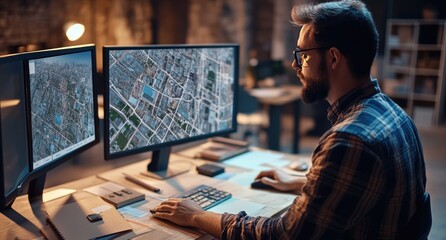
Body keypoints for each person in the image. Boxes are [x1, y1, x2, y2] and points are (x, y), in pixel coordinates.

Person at [151, 0, 428, 239]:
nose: (296, 65)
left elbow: (284, 235)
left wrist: (197, 217)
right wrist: (300, 182)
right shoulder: (394, 114)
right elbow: (362, 188)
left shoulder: (349, 140)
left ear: (333, 58)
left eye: (303, 55)